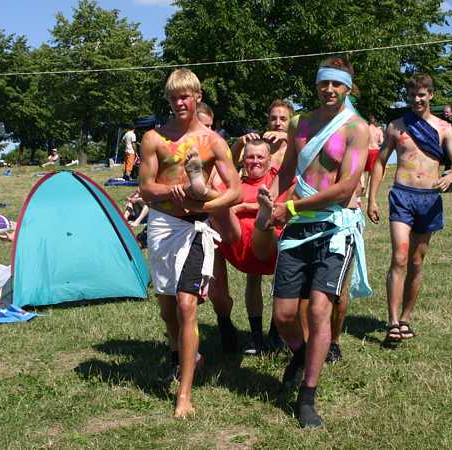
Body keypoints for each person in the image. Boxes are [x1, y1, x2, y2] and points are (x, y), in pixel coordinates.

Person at [262, 57, 371, 428]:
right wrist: (269, 202)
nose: (329, 90)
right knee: (283, 316)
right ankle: (305, 353)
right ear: (317, 85)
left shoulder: (356, 129)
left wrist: (290, 206)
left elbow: (345, 188)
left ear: (347, 88)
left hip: (333, 229)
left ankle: (307, 396)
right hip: (297, 228)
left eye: (337, 84)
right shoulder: (300, 123)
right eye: (324, 83)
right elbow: (286, 171)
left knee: (319, 310)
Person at [139, 68, 241, 418]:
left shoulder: (213, 141)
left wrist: (207, 206)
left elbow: (236, 191)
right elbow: (145, 188)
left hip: (197, 227)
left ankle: (184, 393)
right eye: (173, 98)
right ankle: (186, 353)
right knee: (168, 308)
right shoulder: (154, 138)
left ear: (197, 97)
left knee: (187, 305)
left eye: (185, 96)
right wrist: (175, 191)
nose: (179, 103)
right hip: (162, 226)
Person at [367, 73, 452, 345]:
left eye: (421, 95)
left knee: (417, 261)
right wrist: (372, 198)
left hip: (429, 199)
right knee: (399, 256)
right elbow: (379, 162)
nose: (416, 100)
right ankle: (392, 322)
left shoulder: (444, 128)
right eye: (412, 96)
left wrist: (450, 176)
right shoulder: (396, 126)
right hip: (402, 196)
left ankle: (406, 318)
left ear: (430, 95)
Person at [210, 139, 292, 356]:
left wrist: (244, 206)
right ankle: (257, 337)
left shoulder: (278, 180)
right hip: (240, 248)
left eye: (260, 157)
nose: (255, 161)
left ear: (269, 160)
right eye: (250, 157)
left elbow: (286, 205)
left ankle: (275, 334)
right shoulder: (235, 184)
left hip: (270, 246)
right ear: (243, 160)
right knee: (252, 279)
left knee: (279, 275)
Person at [232, 99, 294, 170]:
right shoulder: (258, 144)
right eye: (273, 119)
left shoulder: (296, 146)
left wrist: (288, 137)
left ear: (291, 121)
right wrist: (238, 143)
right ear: (268, 121)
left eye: (283, 119)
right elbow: (231, 163)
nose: (277, 123)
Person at [360, 115, 384, 196]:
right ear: (376, 121)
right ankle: (367, 193)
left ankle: (362, 184)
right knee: (371, 173)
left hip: (366, 151)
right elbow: (381, 141)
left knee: (361, 170)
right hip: (375, 151)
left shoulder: (365, 129)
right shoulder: (378, 130)